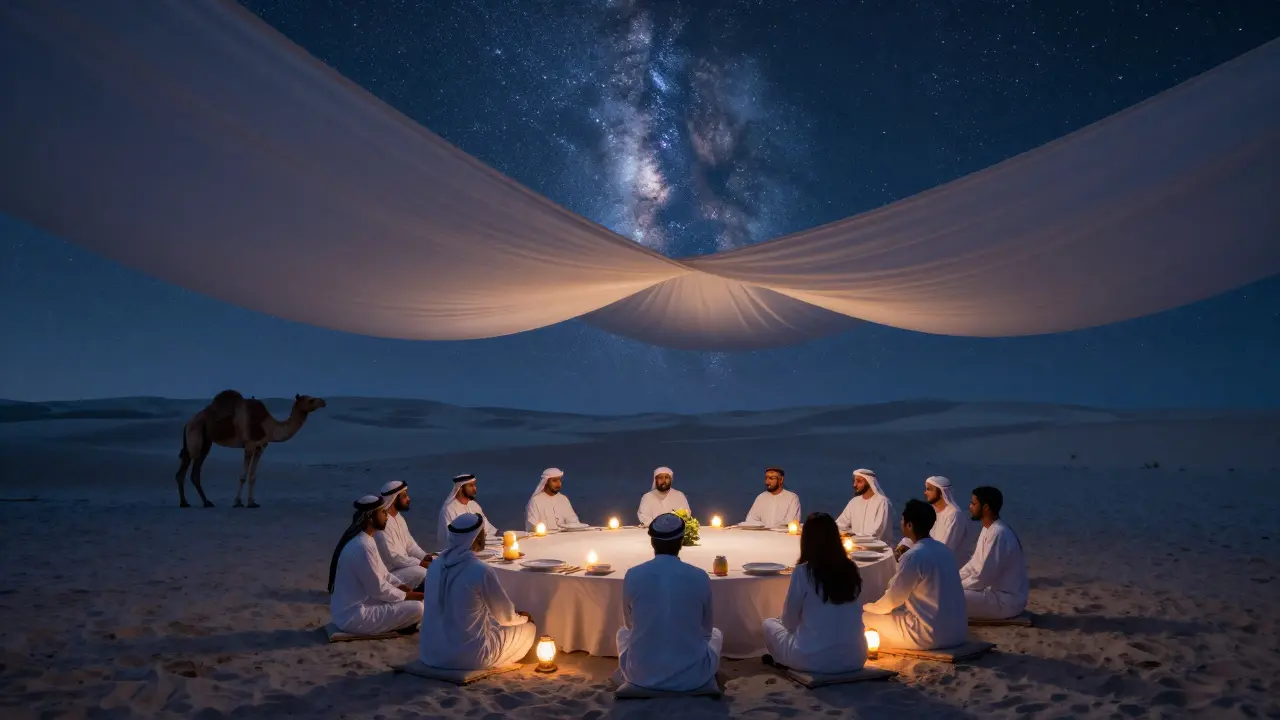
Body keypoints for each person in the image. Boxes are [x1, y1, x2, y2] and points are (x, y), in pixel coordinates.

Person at [616, 513, 722, 691]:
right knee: (717, 634)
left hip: (640, 675)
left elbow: (629, 624)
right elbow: (706, 631)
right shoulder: (700, 576)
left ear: (652, 542)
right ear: (681, 542)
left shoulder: (633, 575)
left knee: (622, 633)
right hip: (694, 676)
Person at [418, 512, 538, 669]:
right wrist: (524, 618)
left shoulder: (434, 566)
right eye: (482, 534)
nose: (484, 537)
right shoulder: (480, 570)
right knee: (529, 629)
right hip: (469, 657)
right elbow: (506, 618)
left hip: (430, 654)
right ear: (474, 538)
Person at [762, 512, 867, 673]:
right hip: (856, 658)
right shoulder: (851, 569)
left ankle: (782, 660)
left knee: (769, 624)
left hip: (813, 659)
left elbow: (789, 622)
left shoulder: (804, 571)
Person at [862, 499, 967, 650]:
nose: (901, 523)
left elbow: (892, 599)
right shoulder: (946, 551)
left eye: (903, 520)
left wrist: (867, 607)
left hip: (929, 635)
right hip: (958, 632)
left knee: (862, 619)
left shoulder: (914, 556)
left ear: (910, 525)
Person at [327, 495, 425, 635]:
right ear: (370, 518)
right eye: (382, 512)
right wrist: (406, 596)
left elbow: (383, 573)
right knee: (417, 608)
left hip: (358, 606)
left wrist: (399, 585)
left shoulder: (366, 540)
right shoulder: (363, 546)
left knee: (417, 603)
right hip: (354, 616)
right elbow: (378, 589)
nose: (386, 516)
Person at [959, 486, 1030, 620]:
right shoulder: (988, 529)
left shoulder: (998, 533)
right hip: (992, 593)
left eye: (973, 503)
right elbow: (973, 565)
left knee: (944, 597)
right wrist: (953, 579)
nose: (970, 507)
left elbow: (982, 577)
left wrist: (954, 586)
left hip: (1006, 601)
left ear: (985, 508)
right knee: (943, 592)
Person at [894, 476, 972, 562]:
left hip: (945, 565)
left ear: (941, 492)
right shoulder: (931, 511)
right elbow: (918, 534)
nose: (925, 493)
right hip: (928, 555)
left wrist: (915, 553)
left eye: (929, 489)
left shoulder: (954, 515)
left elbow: (944, 548)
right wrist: (903, 546)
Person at [375, 480, 433, 589]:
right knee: (422, 572)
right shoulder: (382, 524)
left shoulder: (399, 518)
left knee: (436, 560)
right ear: (394, 499)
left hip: (404, 567)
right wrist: (421, 563)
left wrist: (425, 556)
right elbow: (393, 558)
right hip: (390, 573)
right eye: (404, 496)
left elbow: (410, 545)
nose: (409, 499)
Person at [437, 474, 498, 547]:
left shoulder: (474, 505)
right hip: (457, 551)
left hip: (479, 547)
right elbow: (450, 538)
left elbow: (487, 527)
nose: (474, 489)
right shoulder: (449, 509)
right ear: (460, 488)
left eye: (475, 485)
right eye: (470, 486)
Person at [836, 468, 893, 543]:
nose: (854, 485)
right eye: (854, 481)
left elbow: (878, 532)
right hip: (856, 548)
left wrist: (853, 536)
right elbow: (840, 524)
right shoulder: (854, 502)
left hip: (877, 552)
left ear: (869, 482)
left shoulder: (882, 502)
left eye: (859, 481)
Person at [525, 467, 581, 531]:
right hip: (544, 539)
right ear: (546, 482)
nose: (558, 484)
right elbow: (532, 526)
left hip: (564, 538)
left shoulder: (563, 499)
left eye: (560, 480)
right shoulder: (535, 501)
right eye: (554, 480)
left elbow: (573, 521)